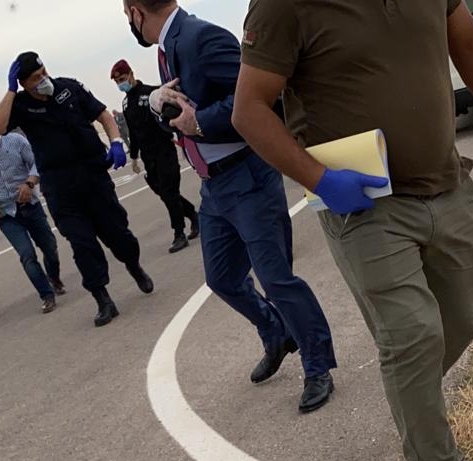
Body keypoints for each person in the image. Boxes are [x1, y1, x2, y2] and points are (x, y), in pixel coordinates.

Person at [232, 0, 473, 461]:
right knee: (412, 335)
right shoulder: (283, 6)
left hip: (446, 184)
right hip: (363, 204)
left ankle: (412, 397)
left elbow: (468, 43)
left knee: (463, 319)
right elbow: (250, 109)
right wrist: (319, 179)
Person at [122, 0, 338, 413]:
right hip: (214, 186)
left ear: (135, 11)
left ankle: (317, 365)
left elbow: (258, 99)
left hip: (246, 176)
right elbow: (181, 111)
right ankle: (275, 332)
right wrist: (156, 104)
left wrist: (200, 122)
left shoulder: (200, 37)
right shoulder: (170, 45)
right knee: (221, 277)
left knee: (277, 280)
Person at [0, 51, 153, 327]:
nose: (43, 79)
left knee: (118, 234)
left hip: (93, 176)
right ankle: (102, 299)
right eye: (36, 78)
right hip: (60, 187)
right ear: (24, 83)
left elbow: (103, 115)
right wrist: (10, 90)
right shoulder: (21, 104)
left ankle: (134, 266)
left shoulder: (69, 88)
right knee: (82, 243)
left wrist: (115, 142)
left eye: (44, 72)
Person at [0, 109, 68, 314]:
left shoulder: (16, 141)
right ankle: (46, 295)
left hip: (30, 205)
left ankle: (54, 278)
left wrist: (30, 183)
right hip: (6, 214)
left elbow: (36, 163)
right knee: (27, 255)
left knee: (50, 247)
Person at [111, 58, 199, 254]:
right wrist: (134, 157)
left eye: (122, 79)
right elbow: (133, 132)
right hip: (148, 156)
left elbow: (170, 116)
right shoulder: (126, 103)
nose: (120, 84)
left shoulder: (152, 93)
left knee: (169, 192)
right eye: (117, 82)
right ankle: (193, 215)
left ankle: (179, 233)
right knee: (164, 193)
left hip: (164, 150)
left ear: (131, 74)